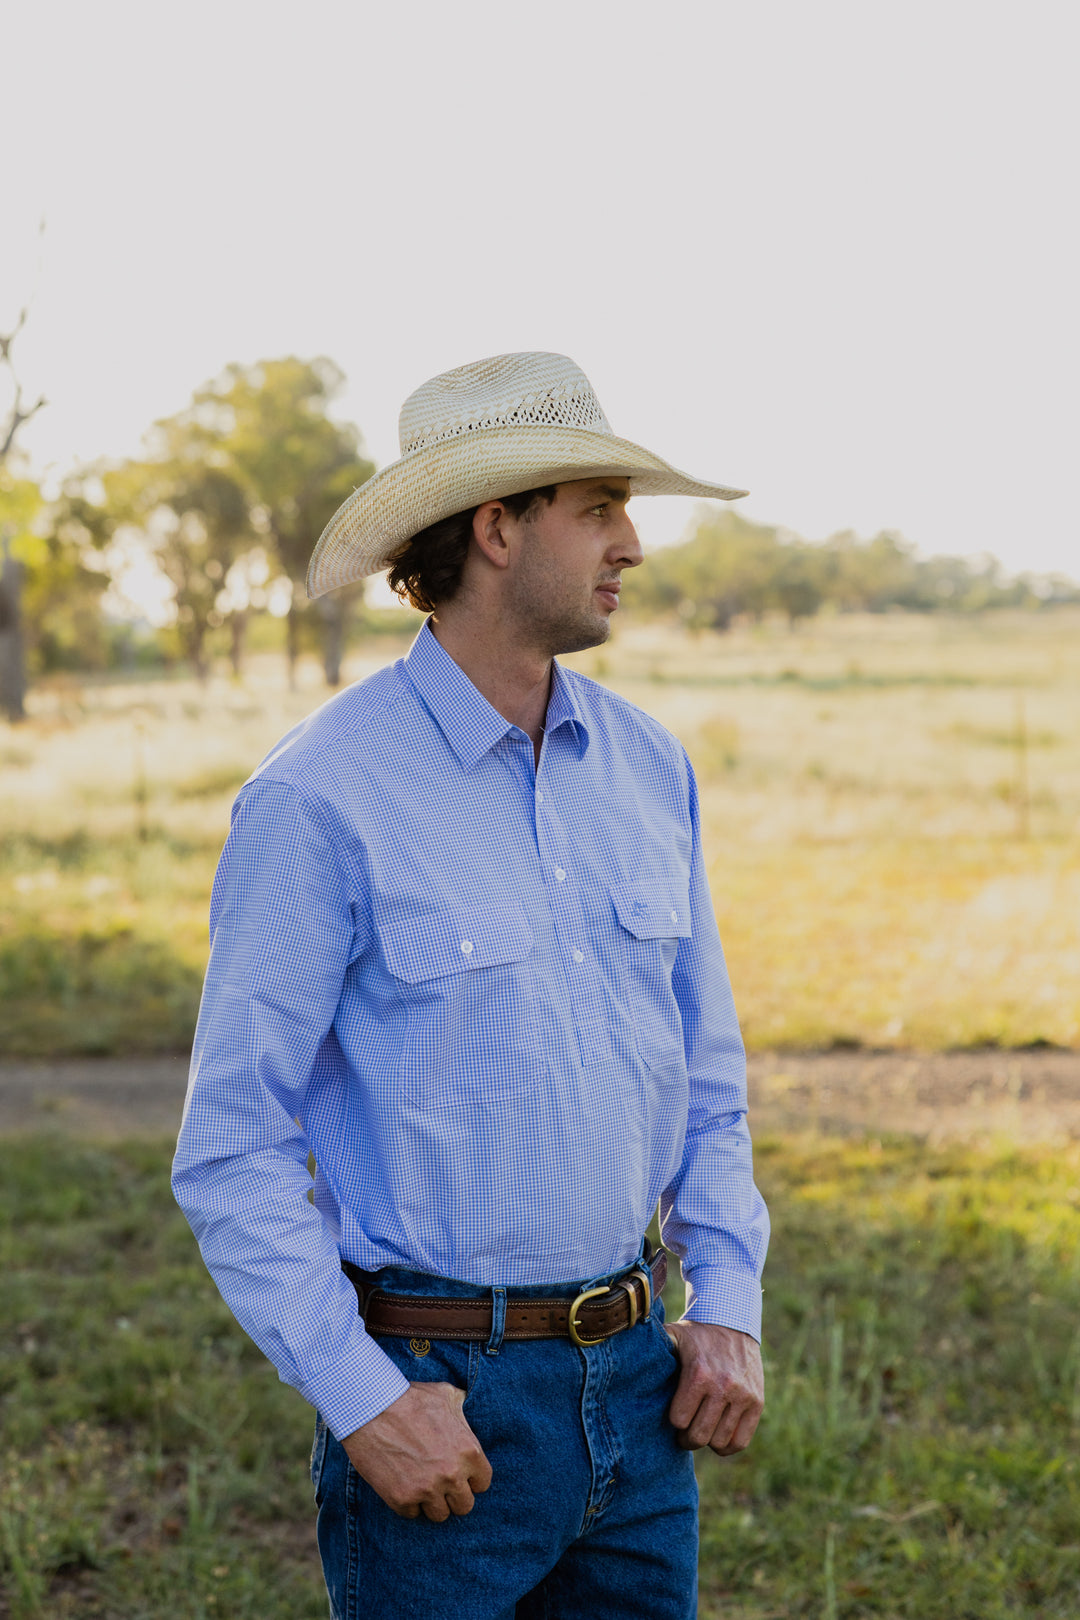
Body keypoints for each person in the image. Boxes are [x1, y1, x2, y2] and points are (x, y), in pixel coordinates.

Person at [172, 351, 770, 1620]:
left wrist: (728, 1302)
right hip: (440, 1404)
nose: (634, 544)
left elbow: (705, 1077)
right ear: (497, 529)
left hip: (641, 1383)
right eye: (599, 505)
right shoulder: (319, 796)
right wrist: (366, 1400)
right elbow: (232, 1147)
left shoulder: (648, 769)